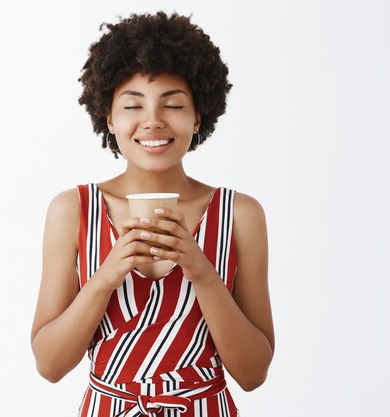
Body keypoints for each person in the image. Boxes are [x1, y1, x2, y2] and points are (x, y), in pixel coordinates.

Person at [31, 11, 274, 417]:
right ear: (109, 117)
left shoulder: (239, 215)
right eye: (132, 105)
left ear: (198, 116)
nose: (153, 121)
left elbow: (253, 374)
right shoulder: (72, 210)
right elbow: (50, 365)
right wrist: (104, 277)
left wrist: (200, 270)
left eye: (173, 104)